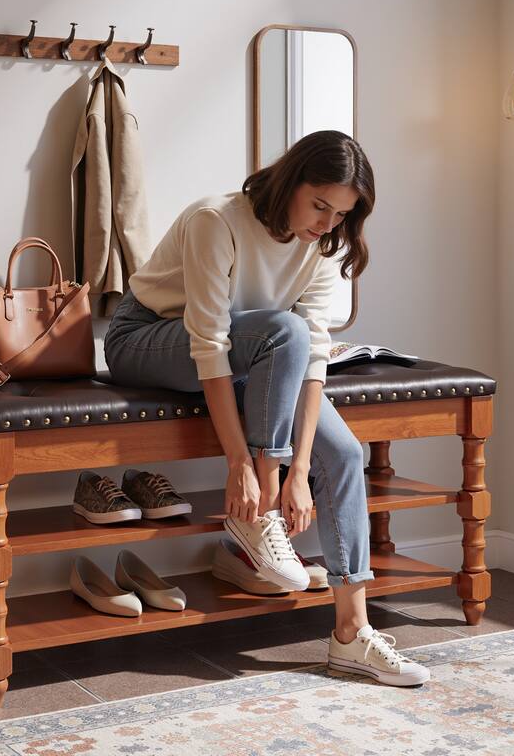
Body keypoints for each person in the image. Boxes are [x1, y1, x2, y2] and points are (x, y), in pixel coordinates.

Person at [103, 130, 430, 686]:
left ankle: (351, 634)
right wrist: (246, 468)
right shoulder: (217, 220)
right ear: (289, 181)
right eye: (319, 204)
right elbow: (210, 345)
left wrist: (302, 468)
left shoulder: (323, 244)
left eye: (342, 213)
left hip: (251, 355)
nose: (327, 223)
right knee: (283, 328)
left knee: (345, 455)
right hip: (149, 339)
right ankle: (258, 518)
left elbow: (314, 358)